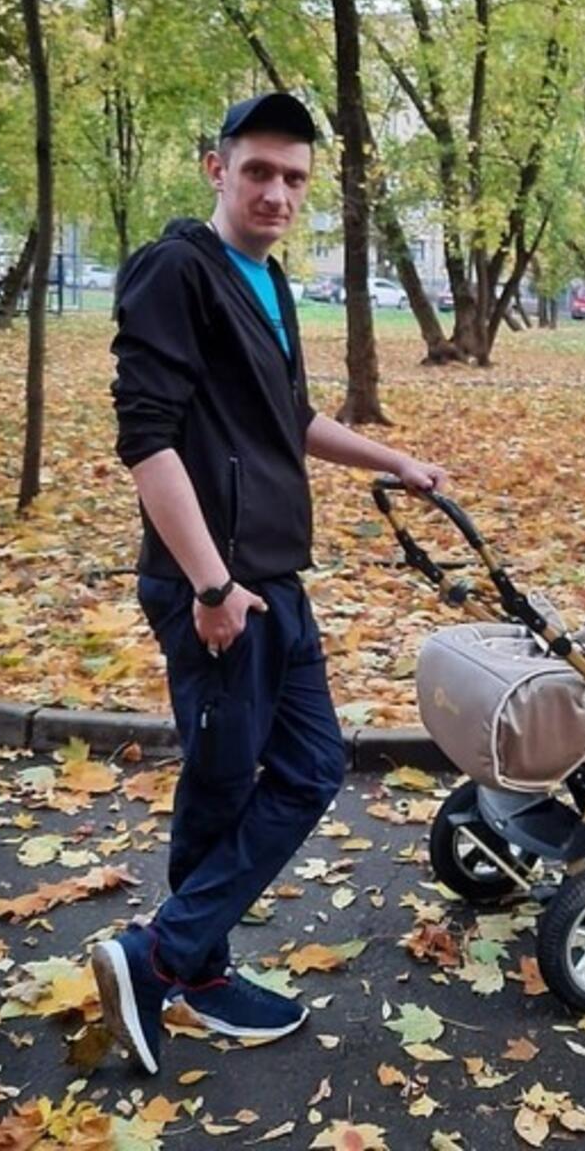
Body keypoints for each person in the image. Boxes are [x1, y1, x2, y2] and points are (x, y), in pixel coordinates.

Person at [93, 92, 448, 1076]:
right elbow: (147, 439)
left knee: (308, 765)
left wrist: (395, 462)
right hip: (216, 591)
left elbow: (287, 419)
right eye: (259, 171)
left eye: (295, 177)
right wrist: (210, 588)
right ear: (218, 167)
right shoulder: (177, 272)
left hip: (275, 581)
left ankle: (172, 958)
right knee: (224, 777)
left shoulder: (270, 282)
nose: (278, 192)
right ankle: (175, 962)